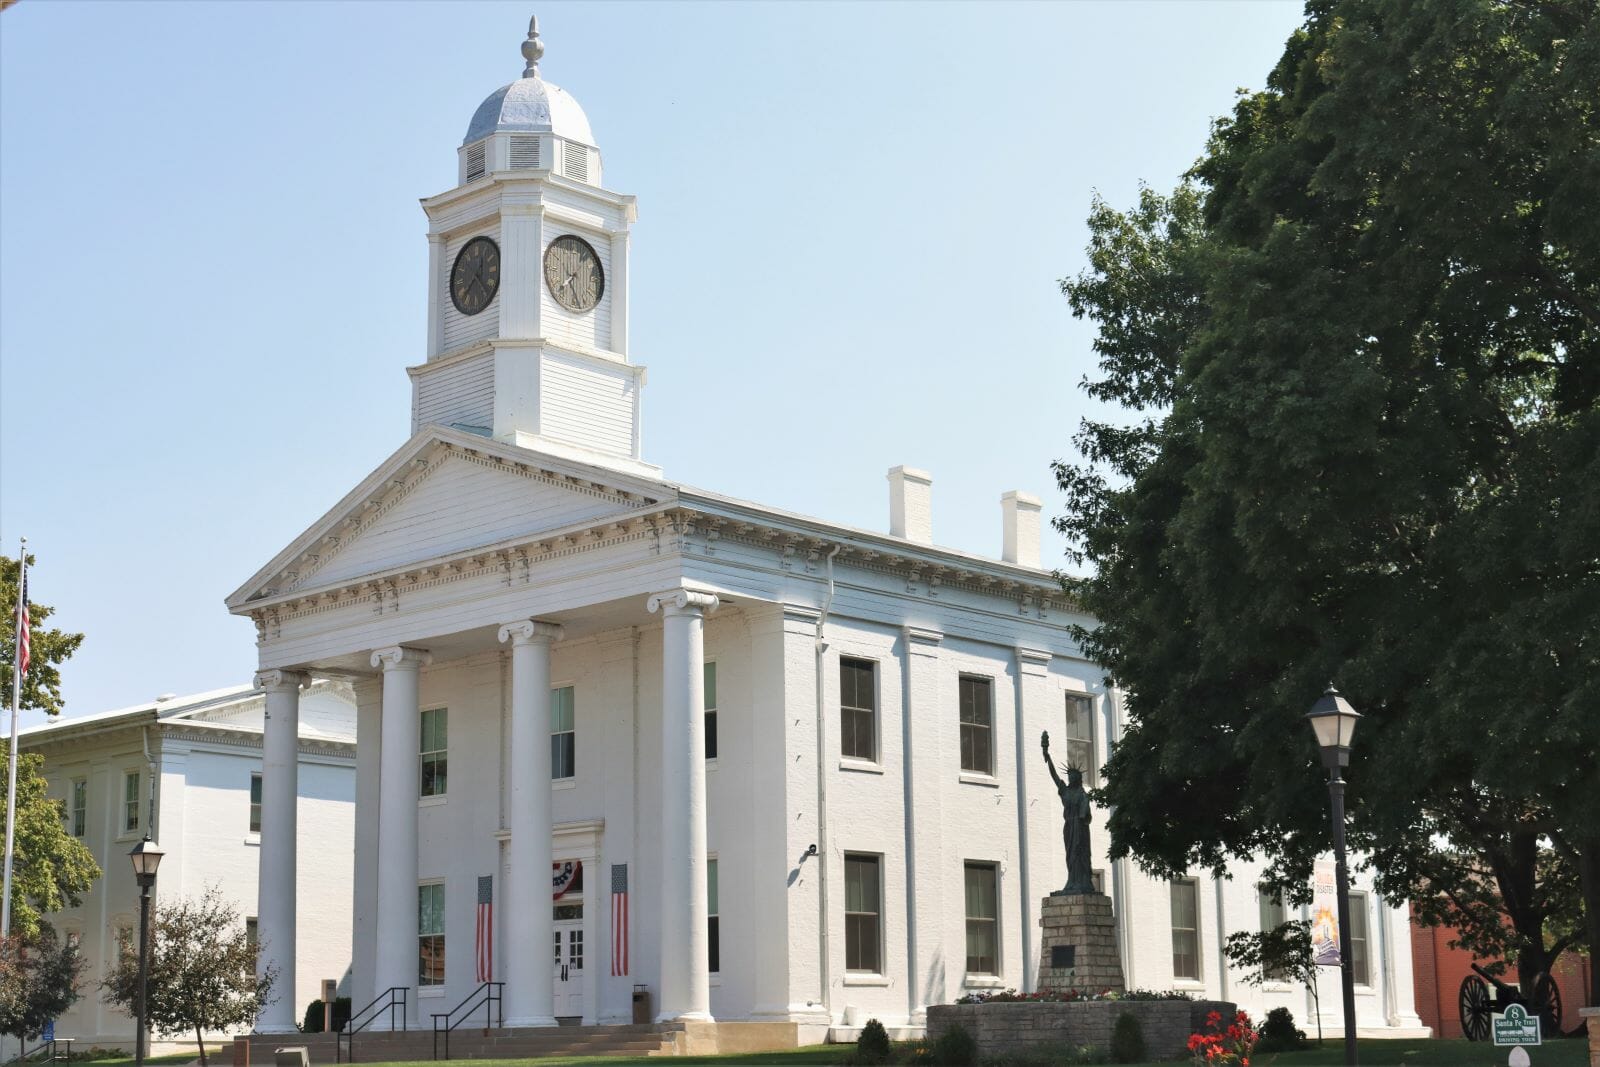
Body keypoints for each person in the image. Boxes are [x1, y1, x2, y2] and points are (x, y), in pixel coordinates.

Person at [1042, 731, 1096, 895]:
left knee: (1080, 853)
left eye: (1074, 776)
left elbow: (1086, 813)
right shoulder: (1065, 792)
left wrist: (1083, 813)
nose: (1071, 778)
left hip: (1079, 826)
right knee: (1071, 855)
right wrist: (1047, 756)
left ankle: (1083, 882)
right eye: (1070, 776)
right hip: (1069, 827)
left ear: (1078, 779)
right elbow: (1054, 776)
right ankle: (1072, 881)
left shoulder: (1081, 794)